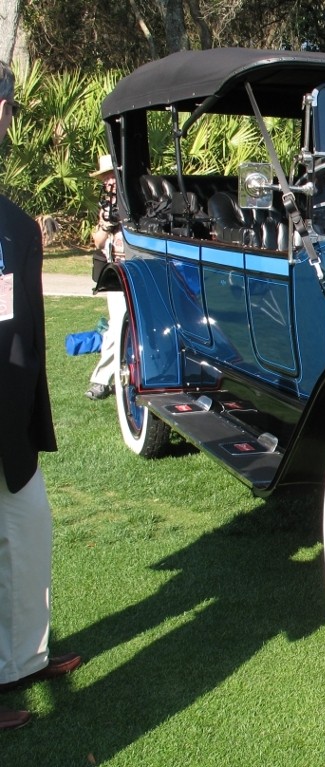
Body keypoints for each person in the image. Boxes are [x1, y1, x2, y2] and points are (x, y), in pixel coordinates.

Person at [0, 60, 82, 732]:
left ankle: (21, 660)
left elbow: (25, 331)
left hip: (10, 419)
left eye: (1, 103)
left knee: (30, 530)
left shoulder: (17, 226)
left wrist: (29, 419)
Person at [85, 153, 125, 400]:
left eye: (113, 178)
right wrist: (106, 226)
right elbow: (97, 242)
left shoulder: (136, 201)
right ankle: (100, 380)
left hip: (137, 266)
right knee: (117, 323)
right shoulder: (106, 206)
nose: (109, 183)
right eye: (106, 179)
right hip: (116, 272)